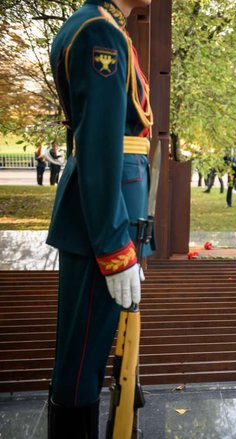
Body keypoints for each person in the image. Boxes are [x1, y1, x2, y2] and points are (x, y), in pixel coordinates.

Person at [47, 0, 153, 435]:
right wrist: (114, 247)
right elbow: (99, 144)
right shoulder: (99, 33)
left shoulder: (104, 26)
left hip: (112, 208)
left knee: (88, 350)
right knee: (83, 357)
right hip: (106, 218)